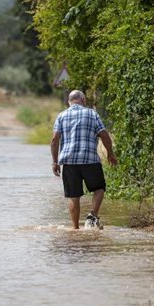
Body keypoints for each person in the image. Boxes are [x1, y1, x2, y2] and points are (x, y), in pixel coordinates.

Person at [51, 90, 117, 229]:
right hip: (90, 160)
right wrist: (110, 153)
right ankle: (92, 216)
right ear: (83, 100)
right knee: (99, 188)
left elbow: (54, 140)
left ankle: (75, 229)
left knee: (74, 197)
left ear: (69, 101)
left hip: (69, 162)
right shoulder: (92, 114)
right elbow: (104, 135)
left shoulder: (61, 116)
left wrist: (55, 162)